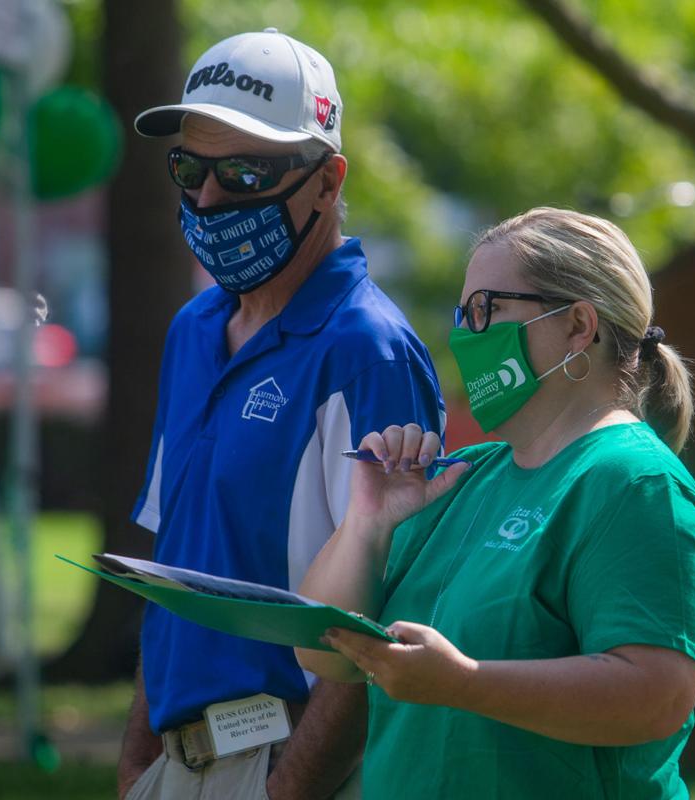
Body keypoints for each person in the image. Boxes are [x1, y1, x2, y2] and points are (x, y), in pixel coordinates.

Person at [297, 208, 695, 799]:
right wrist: (368, 523)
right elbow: (324, 654)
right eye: (463, 314)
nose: (465, 336)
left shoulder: (635, 484)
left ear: (579, 325)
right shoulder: (465, 477)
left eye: (487, 311)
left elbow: (657, 695)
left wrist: (464, 683)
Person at [117, 28, 445, 800]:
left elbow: (388, 619)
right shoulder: (193, 329)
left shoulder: (369, 351)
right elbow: (173, 567)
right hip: (176, 766)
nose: (206, 198)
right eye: (190, 169)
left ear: (328, 182)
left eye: (241, 171)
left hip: (290, 766)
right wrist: (136, 765)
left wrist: (288, 790)